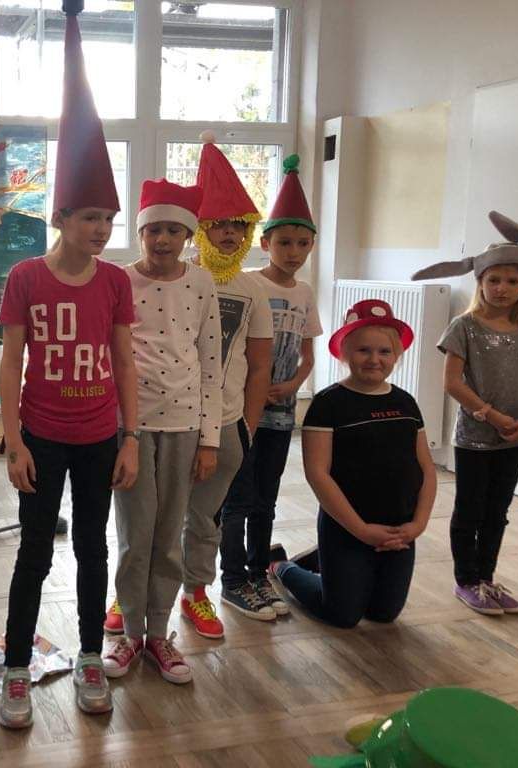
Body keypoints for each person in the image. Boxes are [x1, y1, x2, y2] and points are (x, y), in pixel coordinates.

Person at [0, 4, 138, 730]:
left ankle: (88, 656)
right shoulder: (26, 277)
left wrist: (131, 437)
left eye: (108, 220)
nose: (101, 230)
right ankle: (16, 668)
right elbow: (10, 363)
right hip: (43, 437)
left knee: (90, 549)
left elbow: (123, 361)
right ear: (61, 219)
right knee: (33, 553)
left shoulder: (114, 282)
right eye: (89, 218)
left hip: (99, 436)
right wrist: (13, 441)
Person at [99, 178, 221, 685]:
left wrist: (210, 438)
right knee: (135, 533)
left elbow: (211, 360)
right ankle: (130, 633)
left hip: (185, 423)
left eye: (173, 230)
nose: (163, 240)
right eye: (154, 230)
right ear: (140, 232)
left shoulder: (202, 282)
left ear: (188, 235)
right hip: (129, 426)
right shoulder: (118, 280)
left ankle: (158, 633)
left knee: (169, 535)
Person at [269, 300, 437, 628]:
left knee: (383, 614)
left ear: (396, 355)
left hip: (399, 530)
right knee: (343, 615)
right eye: (363, 350)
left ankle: (325, 561)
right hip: (346, 527)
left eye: (384, 351)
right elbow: (318, 473)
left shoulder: (405, 402)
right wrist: (361, 530)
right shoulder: (328, 403)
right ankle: (282, 566)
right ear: (345, 352)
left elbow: (427, 469)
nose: (374, 360)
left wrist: (418, 524)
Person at [412, 210, 518, 615]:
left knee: (498, 512)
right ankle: (467, 579)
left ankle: (487, 578)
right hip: (477, 437)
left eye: (512, 280)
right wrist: (491, 415)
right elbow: (452, 383)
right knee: (470, 510)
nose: (502, 288)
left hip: (517, 437)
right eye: (494, 279)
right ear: (480, 281)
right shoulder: (465, 326)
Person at [219, 154, 322, 618]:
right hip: (242, 412)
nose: (293, 251)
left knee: (266, 497)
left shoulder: (305, 292)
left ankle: (260, 570)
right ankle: (233, 576)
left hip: (281, 413)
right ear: (265, 243)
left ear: (311, 245)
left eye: (302, 243)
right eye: (284, 242)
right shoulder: (248, 284)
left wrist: (294, 383)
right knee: (236, 498)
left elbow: (308, 354)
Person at [179, 133, 273, 635]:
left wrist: (248, 427)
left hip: (229, 419)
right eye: (219, 224)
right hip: (170, 417)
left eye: (239, 225)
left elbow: (260, 365)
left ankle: (195, 591)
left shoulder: (253, 288)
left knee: (205, 516)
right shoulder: (176, 277)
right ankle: (131, 592)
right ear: (200, 228)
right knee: (153, 515)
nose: (230, 233)